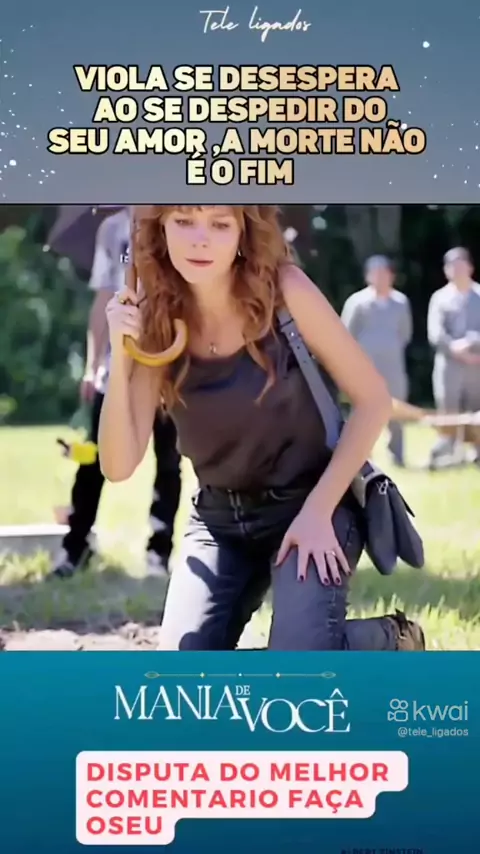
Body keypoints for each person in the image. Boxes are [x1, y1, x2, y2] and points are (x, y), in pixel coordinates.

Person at [98, 205, 425, 651]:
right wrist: (122, 355)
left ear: (242, 233)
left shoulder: (286, 291)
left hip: (311, 504)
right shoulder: (157, 316)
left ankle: (391, 641)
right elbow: (117, 466)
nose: (200, 239)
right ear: (161, 229)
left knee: (294, 666)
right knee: (182, 672)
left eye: (219, 224)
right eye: (184, 221)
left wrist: (317, 513)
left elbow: (373, 400)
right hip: (218, 521)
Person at [51, 207, 181, 579]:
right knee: (93, 456)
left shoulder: (180, 220)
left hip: (170, 361)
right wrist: (93, 363)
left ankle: (159, 552)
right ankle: (75, 547)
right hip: (119, 363)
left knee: (168, 462)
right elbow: (104, 297)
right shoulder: (112, 229)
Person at [341, 256, 412, 467]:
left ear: (392, 276)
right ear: (368, 276)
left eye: (385, 273)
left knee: (397, 410)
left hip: (394, 367)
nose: (381, 277)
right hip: (365, 368)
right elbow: (346, 334)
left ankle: (397, 455)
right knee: (361, 411)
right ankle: (360, 457)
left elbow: (405, 333)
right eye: (376, 273)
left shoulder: (400, 302)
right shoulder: (357, 302)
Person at [427, 247, 480, 467]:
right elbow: (435, 332)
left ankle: (477, 452)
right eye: (452, 266)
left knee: (477, 409)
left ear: (470, 267)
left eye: (461, 265)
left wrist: (473, 343)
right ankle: (448, 454)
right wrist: (454, 348)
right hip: (449, 365)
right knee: (448, 409)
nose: (457, 270)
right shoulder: (439, 298)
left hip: (477, 365)